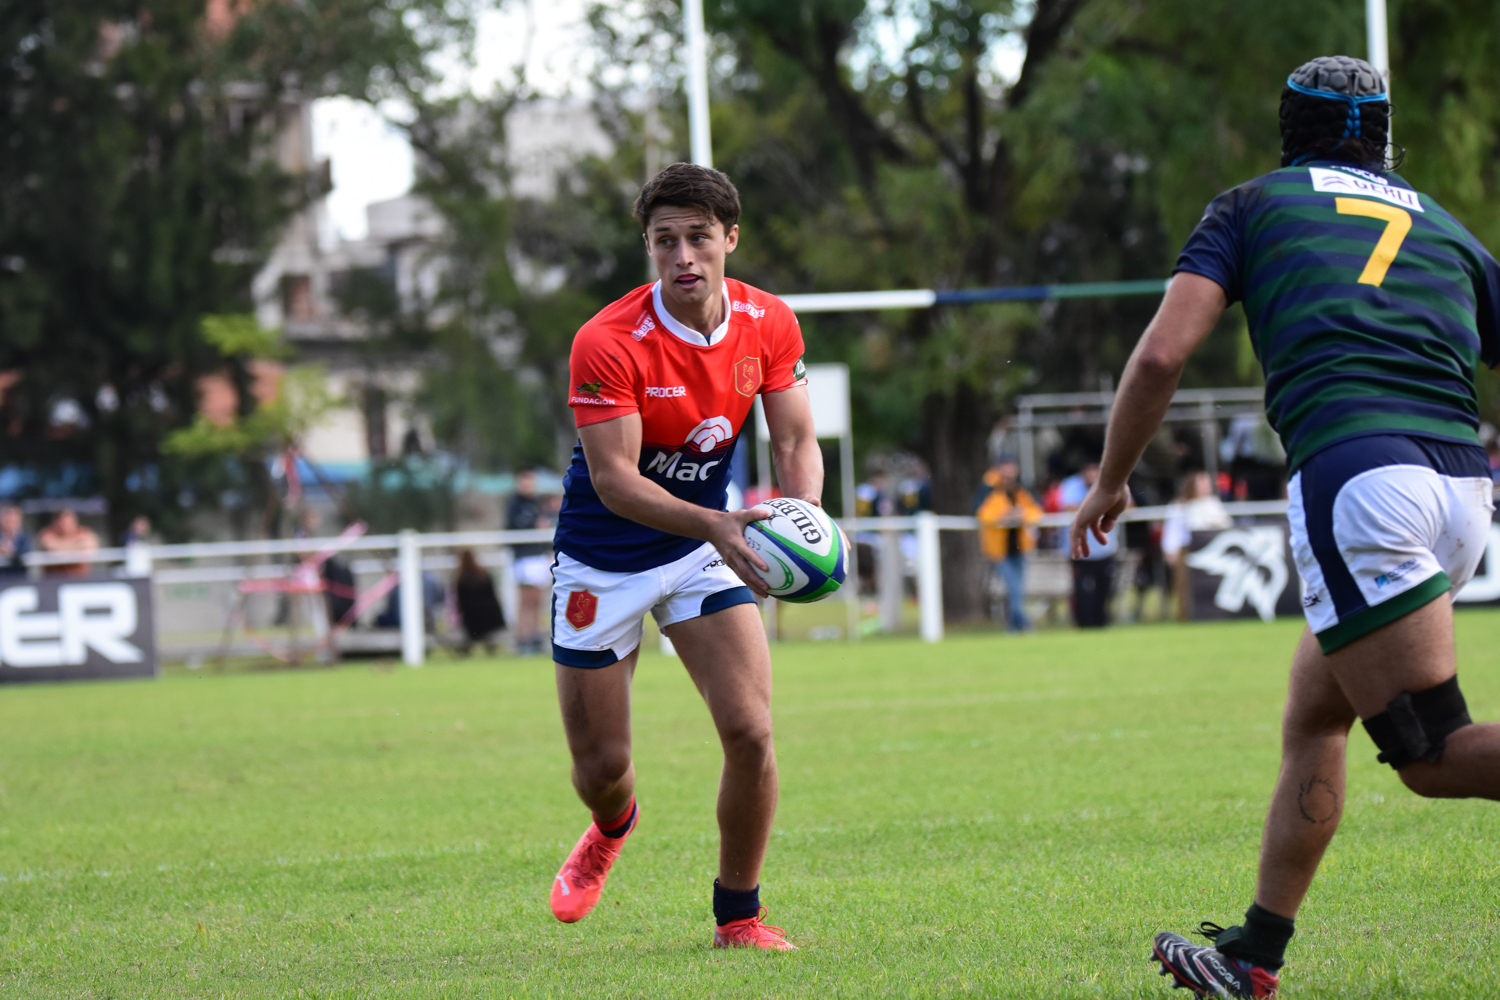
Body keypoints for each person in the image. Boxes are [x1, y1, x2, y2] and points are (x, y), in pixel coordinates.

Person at [1071, 56, 1500, 999]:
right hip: (1464, 491)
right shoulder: (1448, 228)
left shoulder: (1252, 205)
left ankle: (1252, 960)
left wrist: (1110, 482)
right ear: (1384, 134)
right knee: (1318, 708)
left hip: (1359, 482)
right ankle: (1252, 960)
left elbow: (1161, 356)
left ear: (1287, 128)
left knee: (1431, 757)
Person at [546, 162, 819, 950]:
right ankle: (611, 826)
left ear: (730, 238)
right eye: (665, 241)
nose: (683, 256)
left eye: (699, 237)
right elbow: (616, 482)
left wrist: (801, 522)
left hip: (702, 549)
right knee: (601, 768)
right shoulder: (607, 340)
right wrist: (721, 525)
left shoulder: (769, 322)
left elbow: (797, 438)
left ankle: (739, 917)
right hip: (603, 561)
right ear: (650, 249)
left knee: (751, 731)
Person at [974, 456, 1042, 631]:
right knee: (1013, 587)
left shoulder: (1022, 490)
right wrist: (1002, 516)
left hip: (1021, 546)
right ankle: (1024, 623)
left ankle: (1013, 625)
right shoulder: (989, 490)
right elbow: (981, 513)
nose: (1008, 472)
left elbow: (1036, 510)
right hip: (999, 549)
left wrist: (1022, 514)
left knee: (1017, 588)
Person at [1161, 470, 1233, 620]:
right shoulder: (1179, 505)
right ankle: (1185, 616)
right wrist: (1170, 550)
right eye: (1201, 482)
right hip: (1187, 550)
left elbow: (1227, 524)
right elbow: (1172, 530)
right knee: (1184, 586)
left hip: (1211, 551)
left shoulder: (1213, 504)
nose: (1205, 486)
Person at [1061, 462, 1118, 627]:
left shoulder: (1111, 484)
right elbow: (1069, 507)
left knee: (1104, 589)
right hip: (1079, 550)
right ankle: (1083, 623)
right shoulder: (1071, 485)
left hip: (1104, 550)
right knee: (1081, 590)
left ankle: (1101, 622)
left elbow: (1127, 505)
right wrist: (1099, 508)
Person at [505, 468, 553, 655]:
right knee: (526, 600)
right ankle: (522, 638)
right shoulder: (514, 504)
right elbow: (512, 527)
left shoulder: (536, 503)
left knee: (537, 599)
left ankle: (535, 636)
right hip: (524, 557)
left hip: (538, 556)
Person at [453, 548, 506, 654]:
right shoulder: (483, 573)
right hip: (490, 616)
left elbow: (460, 601)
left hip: (471, 619)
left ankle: (466, 649)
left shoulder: (461, 577)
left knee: (470, 630)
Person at [36, 508, 99, 577]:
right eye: (61, 521)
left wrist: (61, 547)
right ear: (55, 522)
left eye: (67, 521)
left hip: (80, 578)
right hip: (54, 579)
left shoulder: (83, 532)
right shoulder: (47, 533)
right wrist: (77, 547)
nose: (65, 525)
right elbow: (50, 548)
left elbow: (89, 547)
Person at [0, 505, 31, 577]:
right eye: (8, 520)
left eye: (13, 521)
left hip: (16, 578)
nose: (11, 524)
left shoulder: (24, 538)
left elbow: (24, 556)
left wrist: (8, 552)